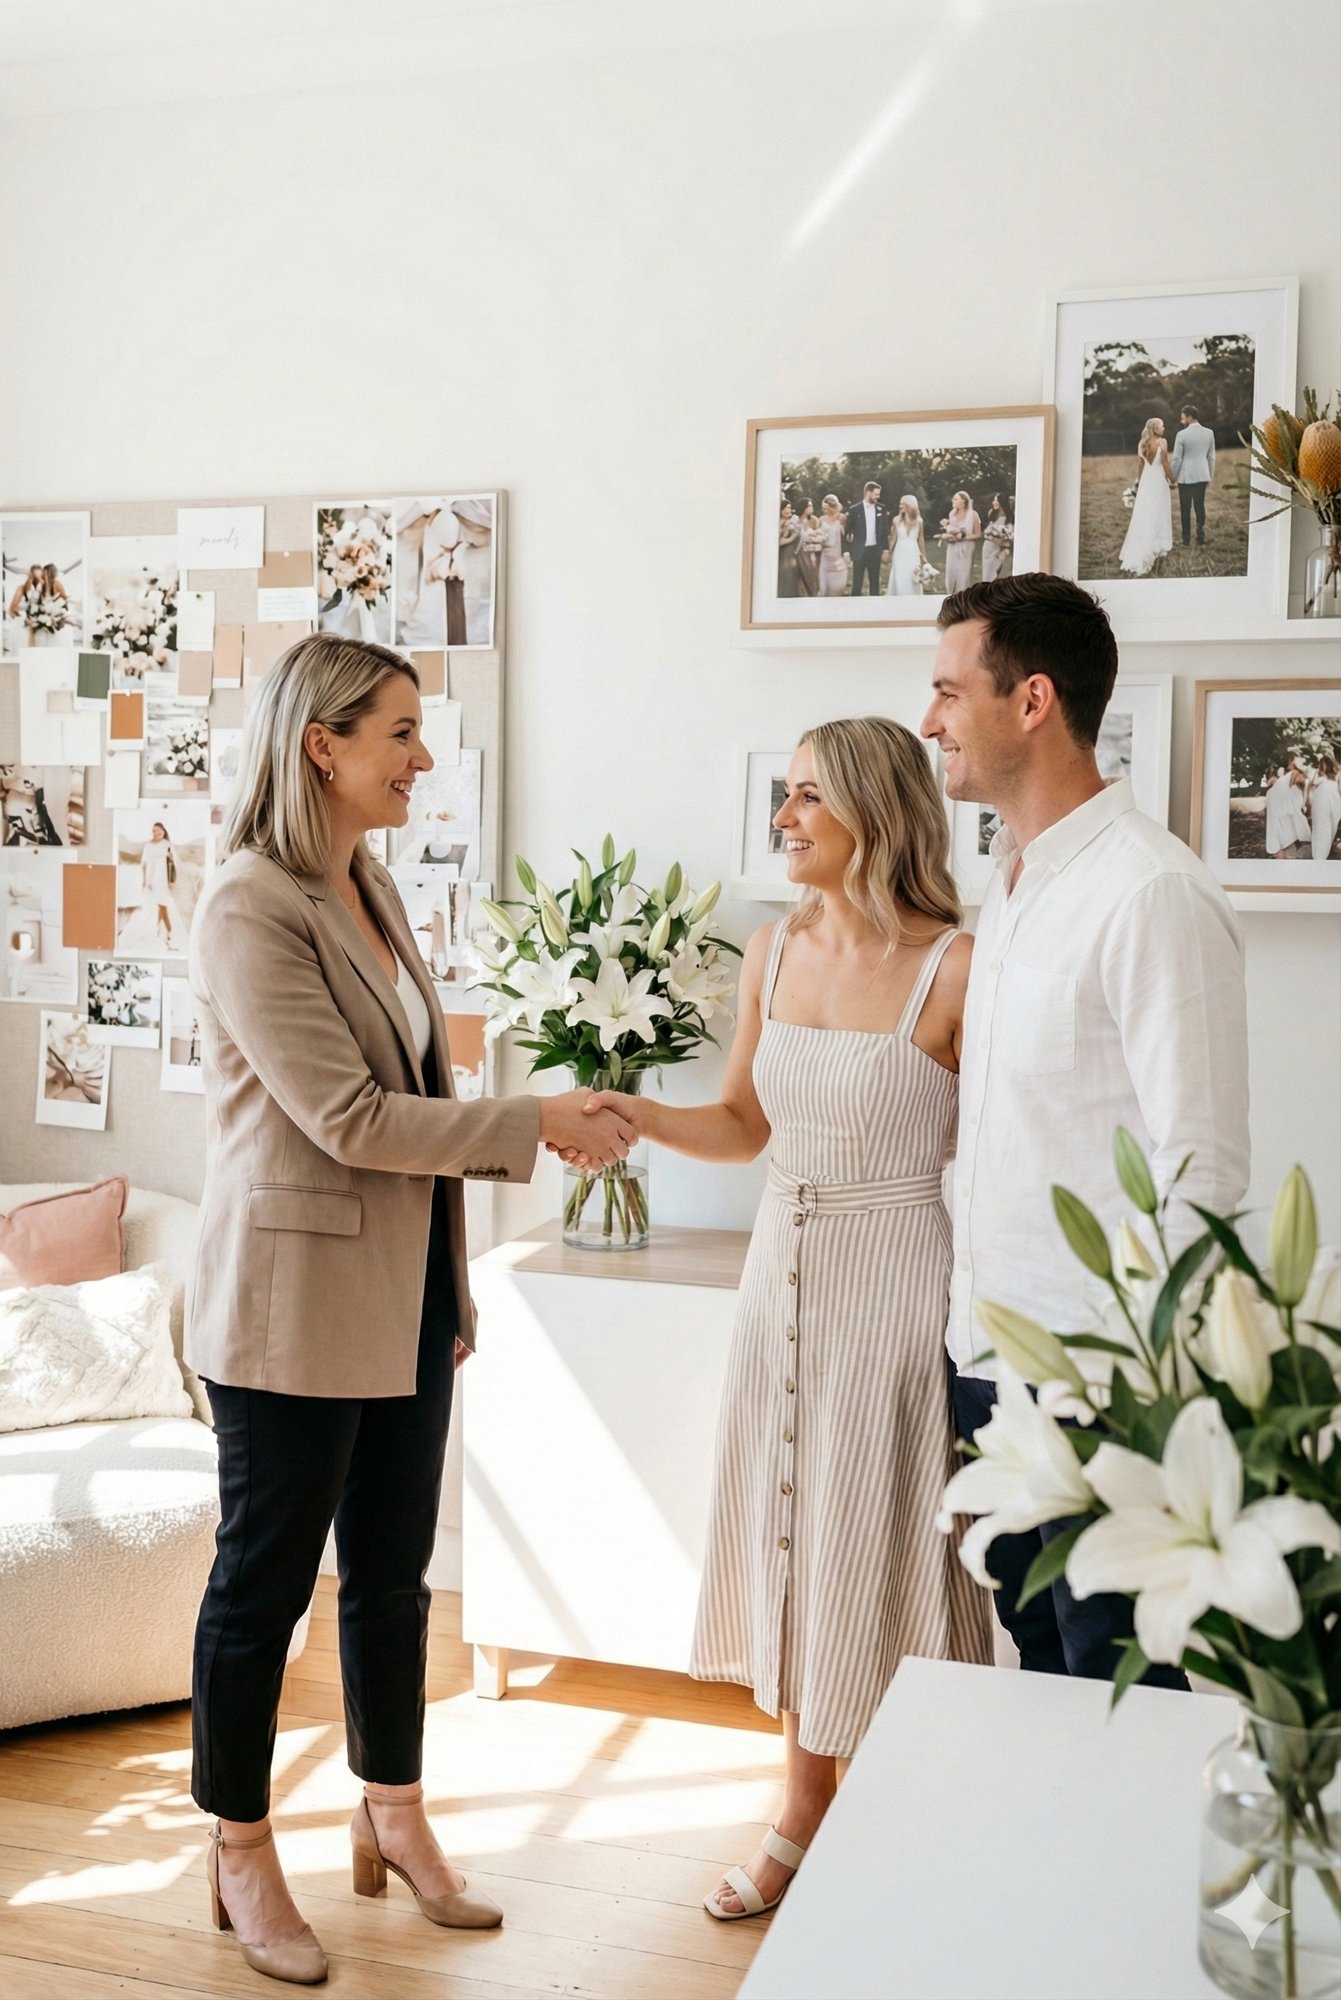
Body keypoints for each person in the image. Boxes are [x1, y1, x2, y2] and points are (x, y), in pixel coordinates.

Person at [186, 633, 635, 1986]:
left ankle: (392, 1810)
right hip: (288, 1310)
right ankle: (239, 1844)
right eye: (398, 732)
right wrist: (534, 1121)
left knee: (394, 1577)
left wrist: (450, 1285)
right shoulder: (248, 903)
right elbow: (350, 1116)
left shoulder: (368, 883)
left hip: (404, 1299)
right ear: (320, 745)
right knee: (264, 1589)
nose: (422, 757)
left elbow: (410, 1093)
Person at [581, 718, 992, 1923]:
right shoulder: (772, 950)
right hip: (783, 1271)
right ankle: (802, 1813)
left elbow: (1003, 1152)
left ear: (875, 807)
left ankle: (933, 1809)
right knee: (800, 1538)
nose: (785, 817)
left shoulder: (958, 966)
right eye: (784, 793)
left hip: (899, 1278)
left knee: (893, 1542)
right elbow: (744, 1126)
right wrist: (632, 1113)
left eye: (809, 794)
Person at [922, 572, 1250, 1688]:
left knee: (1121, 1684)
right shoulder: (1011, 887)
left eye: (948, 690)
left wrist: (1131, 1381)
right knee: (1041, 1670)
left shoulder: (1151, 892)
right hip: (989, 1362)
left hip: (1100, 1381)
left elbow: (1203, 1166)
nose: (930, 719)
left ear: (1032, 701)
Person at [1118, 418, 1175, 576]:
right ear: (1154, 428)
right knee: (1159, 512)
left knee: (1145, 513)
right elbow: (1165, 463)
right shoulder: (1162, 442)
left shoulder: (1143, 443)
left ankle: (1144, 544)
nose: (1163, 428)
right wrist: (1173, 479)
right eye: (1161, 426)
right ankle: (1157, 546)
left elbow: (1141, 465)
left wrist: (1138, 482)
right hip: (1158, 480)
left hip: (1146, 482)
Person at [1170, 403, 1216, 549]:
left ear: (1189, 417)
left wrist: (1172, 477)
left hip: (1186, 477)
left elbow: (1176, 459)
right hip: (1202, 475)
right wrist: (1209, 476)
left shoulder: (1181, 435)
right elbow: (1211, 457)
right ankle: (1201, 538)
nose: (1181, 420)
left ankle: (1186, 540)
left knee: (1185, 508)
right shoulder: (1209, 433)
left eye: (1183, 417)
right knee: (1199, 506)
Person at [844, 480, 888, 596]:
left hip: (875, 550)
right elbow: (847, 532)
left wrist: (885, 549)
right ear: (868, 493)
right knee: (857, 583)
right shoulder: (854, 510)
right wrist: (846, 551)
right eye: (876, 494)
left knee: (874, 582)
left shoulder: (881, 509)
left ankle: (874, 605)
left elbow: (884, 531)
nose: (878, 497)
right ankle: (855, 605)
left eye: (878, 494)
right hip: (859, 550)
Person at [141, 821, 178, 948]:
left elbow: (172, 862)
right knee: (159, 905)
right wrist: (145, 881)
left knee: (162, 905)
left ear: (163, 831)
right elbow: (144, 864)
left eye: (159, 830)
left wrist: (171, 858)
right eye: (154, 831)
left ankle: (168, 931)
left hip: (163, 879)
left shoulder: (167, 844)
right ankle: (161, 930)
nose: (157, 833)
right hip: (151, 879)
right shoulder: (148, 846)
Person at [1264, 761, 1311, 859]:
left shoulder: (1284, 781)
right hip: (1284, 820)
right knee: (1289, 850)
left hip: (1278, 816)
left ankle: (1281, 852)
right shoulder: (1297, 782)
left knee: (1283, 843)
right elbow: (1300, 807)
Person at [886, 495, 928, 595]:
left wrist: (924, 556)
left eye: (902, 504)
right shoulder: (896, 520)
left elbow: (921, 539)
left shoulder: (919, 521)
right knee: (900, 576)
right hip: (900, 552)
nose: (900, 506)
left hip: (913, 552)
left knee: (912, 576)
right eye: (900, 504)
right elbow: (893, 538)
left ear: (910, 505)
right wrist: (887, 551)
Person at [939, 492, 979, 592]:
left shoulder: (973, 514)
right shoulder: (952, 514)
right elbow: (951, 531)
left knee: (964, 576)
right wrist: (948, 534)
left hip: (967, 548)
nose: (953, 501)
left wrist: (962, 538)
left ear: (963, 501)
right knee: (951, 574)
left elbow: (978, 534)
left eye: (955, 499)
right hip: (952, 548)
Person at [1308, 753, 1341, 861]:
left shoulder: (1325, 784)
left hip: (1323, 816)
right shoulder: (1328, 783)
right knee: (1323, 839)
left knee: (1321, 839)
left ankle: (1319, 859)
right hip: (1326, 816)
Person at [816, 494, 848, 596]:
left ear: (832, 507)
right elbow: (818, 535)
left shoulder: (842, 518)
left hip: (838, 554)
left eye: (825, 508)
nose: (823, 510)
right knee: (823, 588)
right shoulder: (821, 519)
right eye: (823, 508)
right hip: (825, 555)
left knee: (837, 589)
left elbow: (847, 536)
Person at [981, 495, 1013, 581]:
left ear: (1002, 502)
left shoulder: (1007, 519)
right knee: (986, 573)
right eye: (994, 500)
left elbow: (1007, 537)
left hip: (998, 549)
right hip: (988, 547)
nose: (994, 502)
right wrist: (989, 534)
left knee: (995, 572)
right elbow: (987, 531)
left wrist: (997, 538)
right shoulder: (992, 514)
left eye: (996, 500)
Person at [794, 499, 822, 597]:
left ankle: (813, 594)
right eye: (809, 506)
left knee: (812, 577)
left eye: (811, 505)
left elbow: (820, 536)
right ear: (803, 508)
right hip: (799, 552)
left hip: (811, 552)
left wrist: (813, 539)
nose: (812, 507)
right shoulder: (796, 521)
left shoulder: (814, 520)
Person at [777, 498, 801, 597]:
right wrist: (784, 529)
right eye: (785, 508)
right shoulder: (778, 522)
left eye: (789, 508)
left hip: (791, 553)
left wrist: (791, 537)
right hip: (780, 554)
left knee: (790, 574)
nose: (788, 510)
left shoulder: (793, 522)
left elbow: (797, 536)